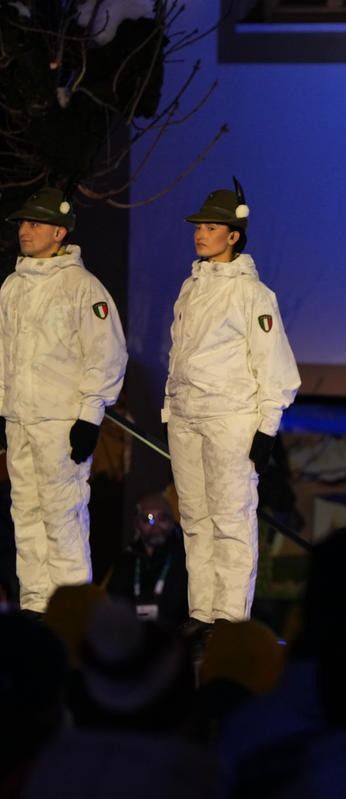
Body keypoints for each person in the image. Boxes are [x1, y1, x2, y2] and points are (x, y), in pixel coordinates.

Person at [165, 179, 300, 630]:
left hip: (230, 418)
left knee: (231, 519)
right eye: (198, 226)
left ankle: (228, 620)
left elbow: (275, 364)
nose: (200, 234)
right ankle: (202, 613)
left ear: (233, 236)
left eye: (210, 227)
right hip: (187, 417)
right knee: (195, 519)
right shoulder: (190, 287)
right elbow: (178, 354)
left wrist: (267, 427)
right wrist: (170, 406)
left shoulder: (252, 294)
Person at [1, 187, 127, 617]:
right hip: (21, 420)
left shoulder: (82, 287)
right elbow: (3, 356)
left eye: (35, 223)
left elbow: (107, 354)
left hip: (61, 422)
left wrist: (90, 417)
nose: (25, 230)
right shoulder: (12, 287)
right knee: (26, 515)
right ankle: (36, 607)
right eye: (23, 222)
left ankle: (72, 615)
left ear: (59, 232)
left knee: (63, 517)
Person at [105, 493, 189, 626]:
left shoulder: (185, 557)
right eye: (148, 519)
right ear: (136, 524)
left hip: (174, 634)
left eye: (162, 518)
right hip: (132, 633)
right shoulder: (127, 559)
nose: (155, 526)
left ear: (173, 522)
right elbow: (114, 602)